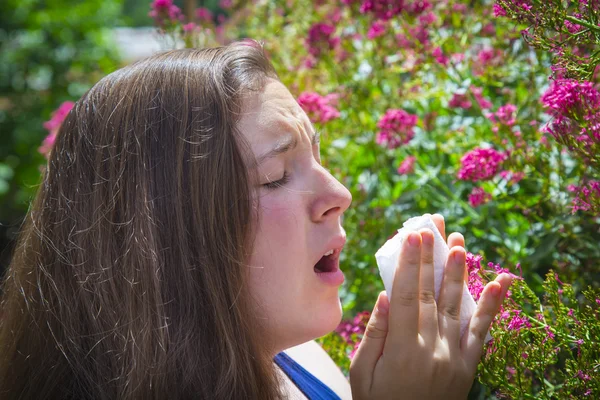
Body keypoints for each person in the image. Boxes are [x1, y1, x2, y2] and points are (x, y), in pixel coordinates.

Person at [0, 42, 513, 399]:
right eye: (274, 176)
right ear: (164, 238)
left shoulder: (295, 359)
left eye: (317, 154)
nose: (340, 194)